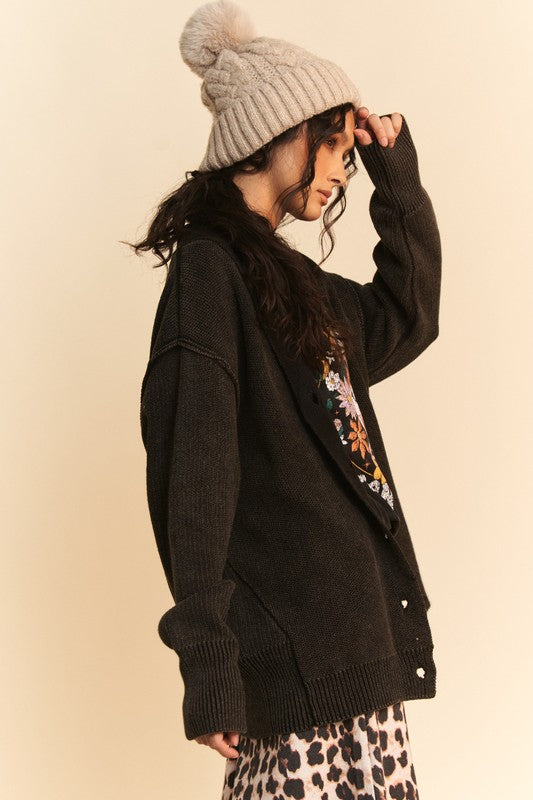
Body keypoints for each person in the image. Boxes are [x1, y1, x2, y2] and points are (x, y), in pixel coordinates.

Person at [126, 1, 442, 797]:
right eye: (330, 144)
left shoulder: (293, 286)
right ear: (276, 133)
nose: (339, 169)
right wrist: (210, 667)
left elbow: (408, 316)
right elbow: (193, 480)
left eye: (346, 152)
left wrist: (393, 174)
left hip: (353, 656)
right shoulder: (210, 275)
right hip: (297, 665)